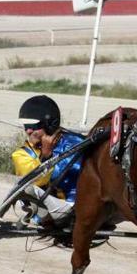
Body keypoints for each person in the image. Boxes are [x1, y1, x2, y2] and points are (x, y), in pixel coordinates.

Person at [11, 95, 85, 228]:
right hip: (52, 210)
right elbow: (37, 181)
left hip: (85, 204)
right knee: (24, 186)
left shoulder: (77, 143)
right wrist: (46, 155)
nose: (28, 130)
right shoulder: (21, 154)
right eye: (26, 125)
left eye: (33, 126)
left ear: (50, 124)